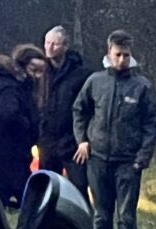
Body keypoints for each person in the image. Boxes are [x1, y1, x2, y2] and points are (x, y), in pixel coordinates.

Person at [73, 29, 156, 229]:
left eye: (126, 55)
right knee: (101, 214)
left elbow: (151, 124)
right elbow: (79, 110)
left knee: (126, 215)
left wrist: (142, 158)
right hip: (98, 159)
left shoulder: (142, 87)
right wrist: (82, 140)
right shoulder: (95, 82)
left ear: (131, 57)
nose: (122, 60)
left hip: (128, 162)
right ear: (109, 53)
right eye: (118, 54)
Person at [0, 45, 47, 208]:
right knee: (21, 200)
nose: (38, 76)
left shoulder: (12, 85)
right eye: (34, 70)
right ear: (22, 66)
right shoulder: (9, 87)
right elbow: (9, 115)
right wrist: (29, 125)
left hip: (10, 156)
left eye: (41, 71)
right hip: (8, 157)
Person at [40, 25, 93, 204]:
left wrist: (84, 139)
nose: (50, 47)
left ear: (65, 47)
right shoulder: (41, 73)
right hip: (47, 143)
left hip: (73, 144)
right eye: (47, 43)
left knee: (79, 191)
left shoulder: (81, 76)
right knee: (45, 190)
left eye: (55, 44)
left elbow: (89, 110)